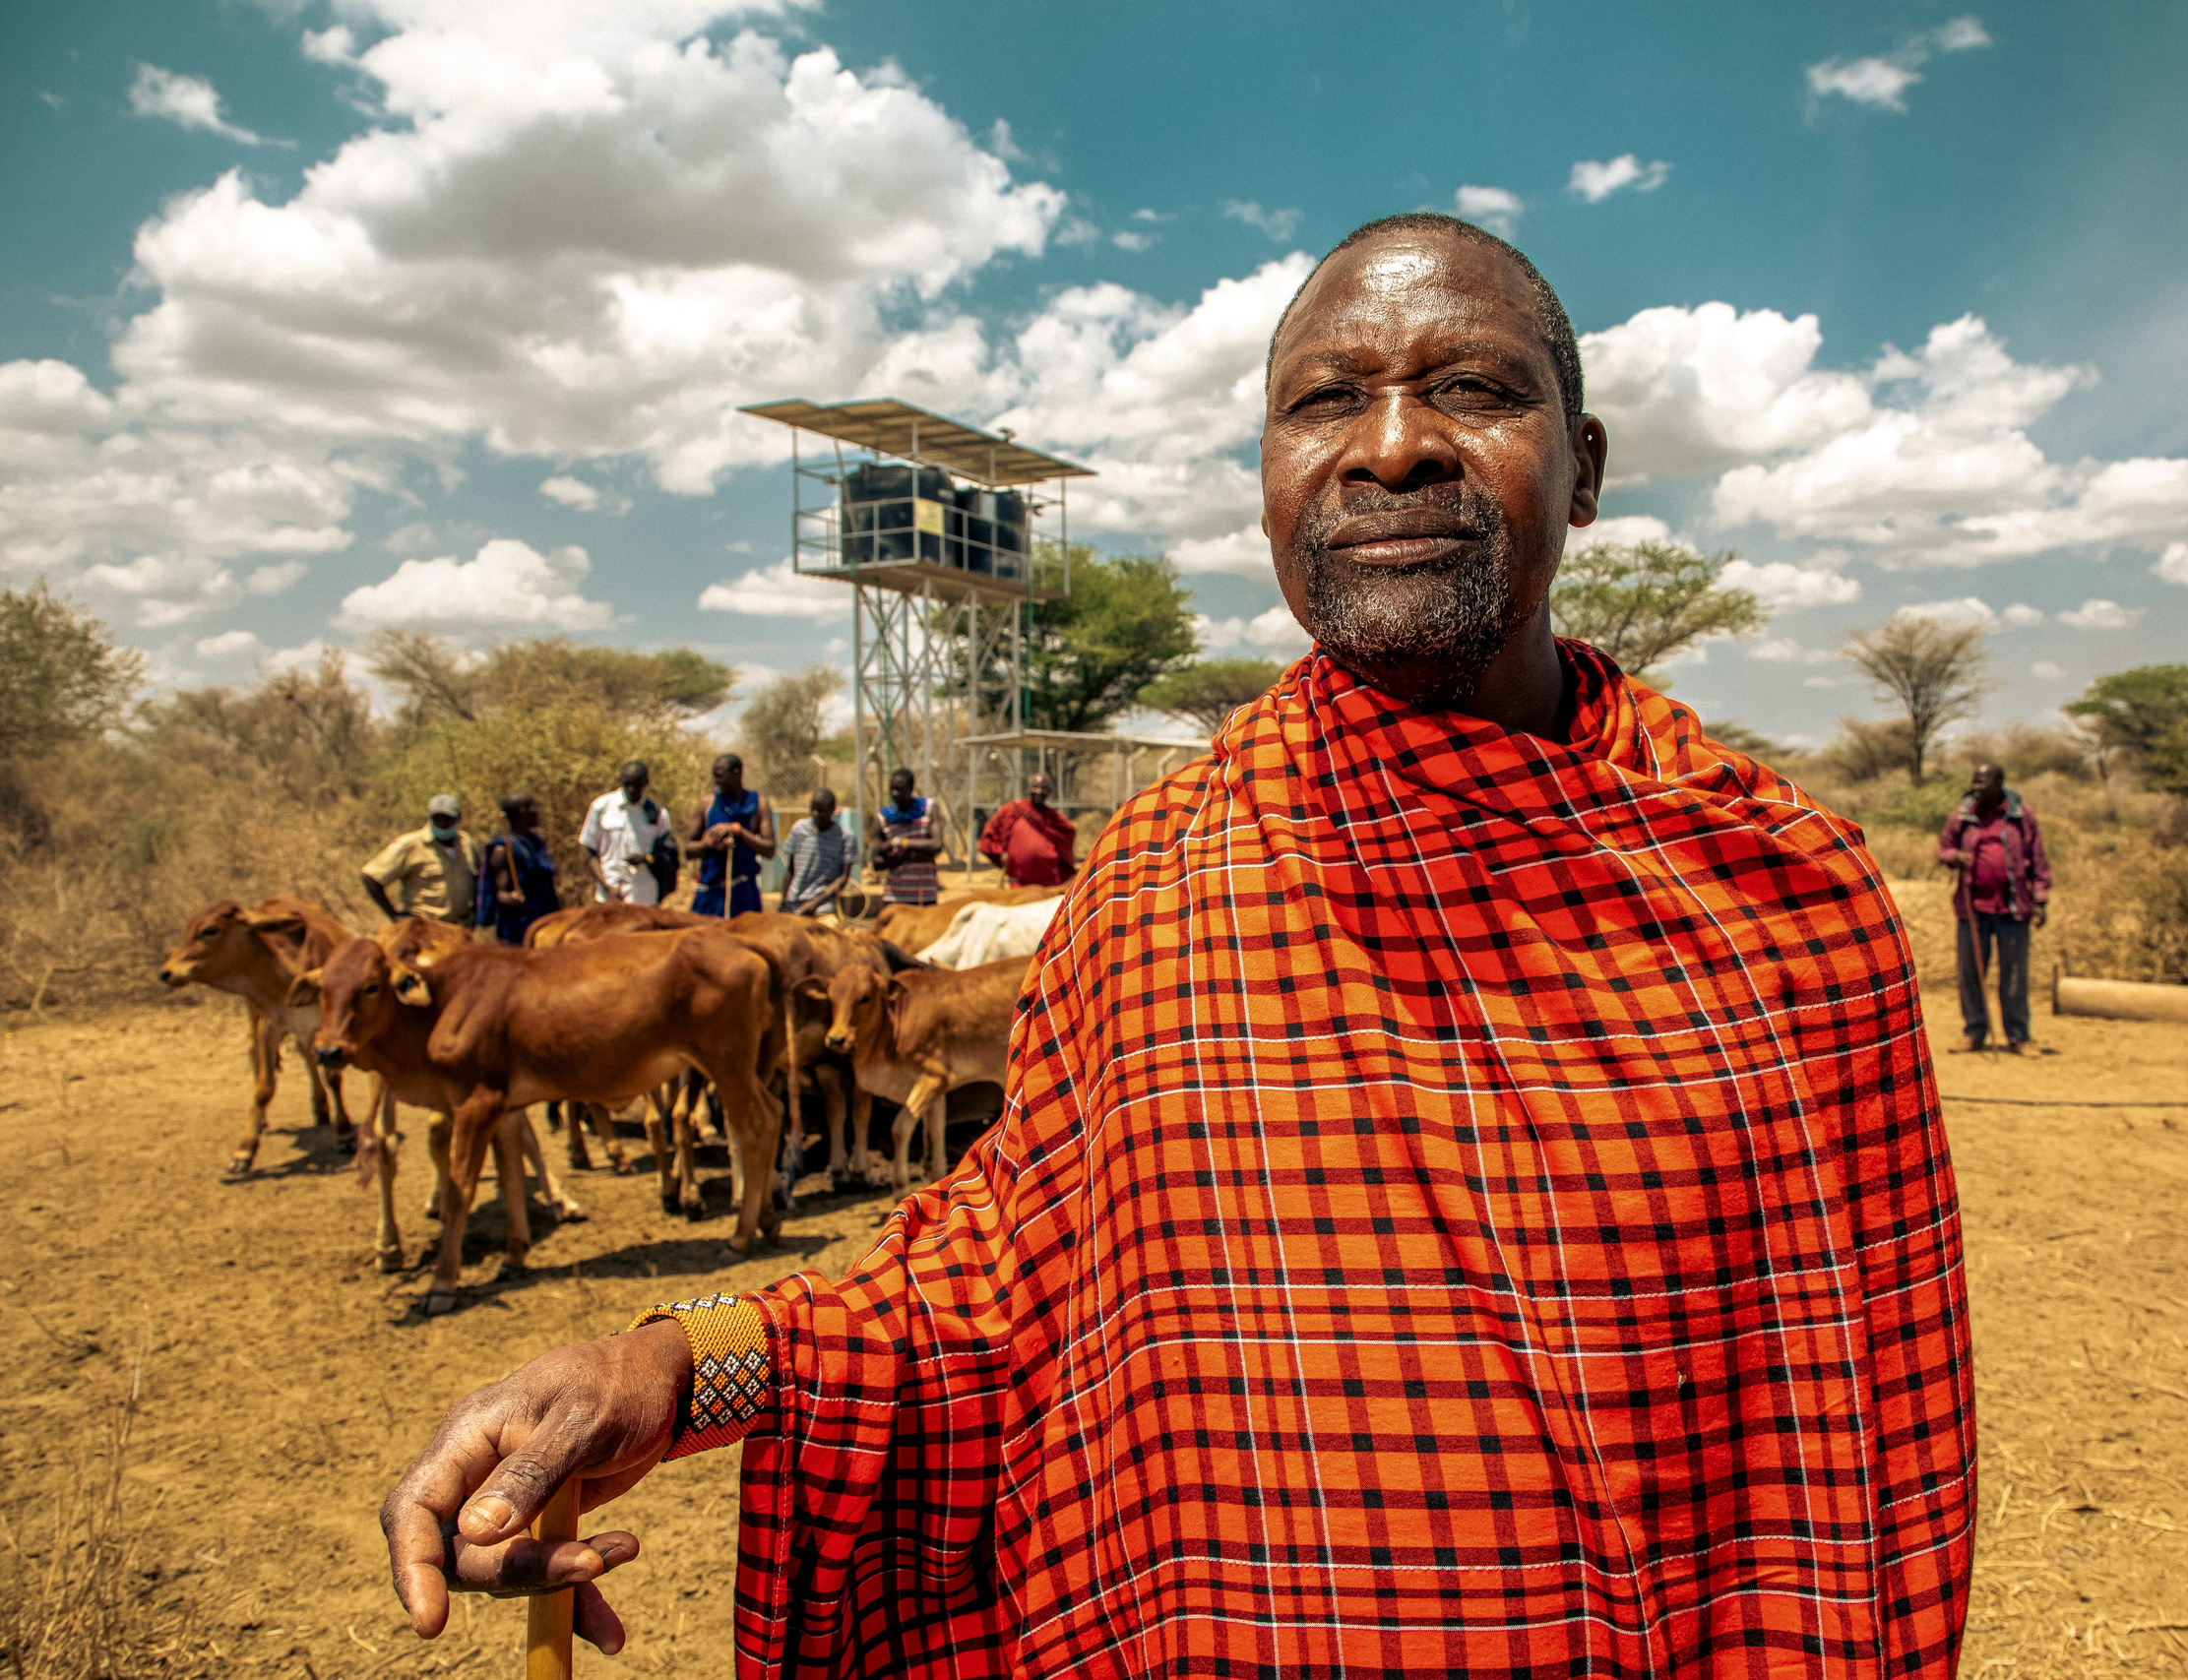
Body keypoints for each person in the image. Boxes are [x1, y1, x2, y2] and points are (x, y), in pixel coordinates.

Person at [378, 214, 1974, 1677]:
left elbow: (1869, 1463)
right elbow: (993, 1269)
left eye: (1472, 387)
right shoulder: (1161, 888)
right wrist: (672, 1362)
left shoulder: (1781, 903)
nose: (1394, 443)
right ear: (1270, 476)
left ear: (1587, 463)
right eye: (1326, 402)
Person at [1937, 761, 2051, 1053]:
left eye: (1982, 784)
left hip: (2013, 909)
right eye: (1973, 782)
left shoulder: (2020, 816)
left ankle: (2019, 1036)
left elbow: (2036, 855)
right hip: (1973, 909)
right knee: (1971, 972)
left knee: (2014, 975)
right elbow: (1944, 848)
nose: (1975, 789)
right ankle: (1974, 1032)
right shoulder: (1962, 815)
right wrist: (1954, 856)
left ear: (1999, 783)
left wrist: (2040, 898)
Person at [359, 794, 476, 927]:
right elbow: (370, 877)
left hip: (460, 928)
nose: (442, 823)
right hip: (424, 928)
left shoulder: (466, 843)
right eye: (437, 818)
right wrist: (394, 916)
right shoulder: (411, 845)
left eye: (447, 819)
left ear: (458, 817)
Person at [578, 762, 672, 906]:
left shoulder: (658, 813)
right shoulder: (602, 807)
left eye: (637, 784)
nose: (632, 789)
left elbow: (668, 855)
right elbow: (591, 853)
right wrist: (607, 886)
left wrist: (646, 858)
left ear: (646, 783)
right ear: (621, 781)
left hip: (644, 896)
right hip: (609, 894)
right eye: (627, 784)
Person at [690, 752, 772, 918]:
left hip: (744, 892)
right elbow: (688, 850)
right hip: (710, 894)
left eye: (720, 776)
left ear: (737, 773)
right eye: (714, 775)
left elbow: (769, 850)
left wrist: (739, 831)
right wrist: (708, 844)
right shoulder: (707, 804)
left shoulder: (758, 804)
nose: (716, 780)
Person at [476, 792, 562, 946]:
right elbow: (500, 893)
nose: (538, 811)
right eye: (534, 807)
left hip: (543, 916)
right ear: (522, 811)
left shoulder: (534, 842)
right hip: (518, 925)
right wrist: (511, 897)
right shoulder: (503, 849)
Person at [977, 771, 1077, 888]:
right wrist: (999, 853)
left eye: (1043, 788)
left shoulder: (1055, 819)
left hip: (1049, 883)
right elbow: (989, 835)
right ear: (1029, 789)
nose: (1039, 791)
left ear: (1049, 791)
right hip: (1019, 881)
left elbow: (1068, 833)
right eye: (1035, 787)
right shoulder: (1012, 810)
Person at [870, 766, 947, 905]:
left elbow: (936, 844)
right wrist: (910, 856)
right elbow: (876, 860)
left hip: (924, 896)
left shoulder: (928, 809)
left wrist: (900, 843)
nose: (895, 793)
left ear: (911, 788)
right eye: (892, 789)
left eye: (899, 789)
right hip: (894, 897)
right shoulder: (883, 817)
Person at [778, 788, 857, 917]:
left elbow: (843, 877)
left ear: (833, 810)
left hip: (823, 908)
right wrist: (784, 902)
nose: (815, 814)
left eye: (821, 810)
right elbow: (791, 870)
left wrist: (816, 902)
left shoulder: (845, 837)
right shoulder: (799, 829)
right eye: (813, 809)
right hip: (794, 904)